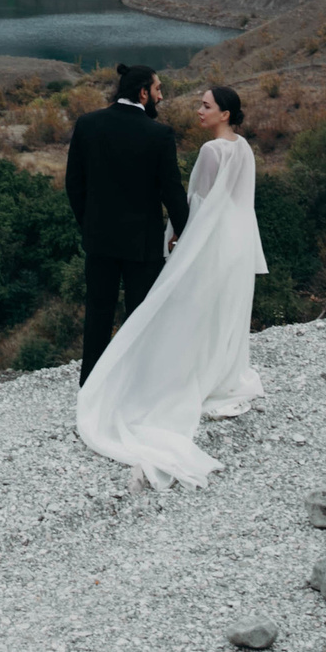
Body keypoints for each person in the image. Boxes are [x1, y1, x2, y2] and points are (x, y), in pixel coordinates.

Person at [76, 83, 268, 488]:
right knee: (223, 310)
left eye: (206, 106)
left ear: (225, 114)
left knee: (183, 308)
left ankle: (159, 379)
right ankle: (221, 373)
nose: (199, 111)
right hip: (237, 239)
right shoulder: (244, 147)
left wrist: (179, 236)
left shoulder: (211, 151)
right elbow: (239, 202)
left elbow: (196, 202)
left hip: (210, 238)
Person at [63, 64, 188, 386]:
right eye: (158, 89)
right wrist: (185, 231)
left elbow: (74, 185)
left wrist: (88, 225)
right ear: (143, 92)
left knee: (98, 313)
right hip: (142, 243)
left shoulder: (88, 124)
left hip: (99, 239)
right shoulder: (159, 134)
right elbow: (171, 191)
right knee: (140, 315)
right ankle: (136, 384)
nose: (161, 96)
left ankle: (91, 385)